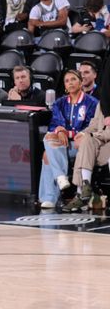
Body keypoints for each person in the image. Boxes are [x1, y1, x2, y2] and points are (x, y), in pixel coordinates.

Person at [37, 69, 98, 209]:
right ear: (64, 86)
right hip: (62, 144)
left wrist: (66, 133)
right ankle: (57, 184)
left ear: (81, 82)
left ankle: (52, 192)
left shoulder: (92, 103)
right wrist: (59, 130)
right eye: (67, 81)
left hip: (81, 146)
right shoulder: (60, 103)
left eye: (73, 79)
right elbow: (56, 122)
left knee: (48, 154)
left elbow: (90, 126)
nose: (70, 83)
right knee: (48, 138)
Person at [62, 105, 109, 212]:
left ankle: (80, 194)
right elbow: (94, 124)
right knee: (86, 141)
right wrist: (82, 134)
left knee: (87, 141)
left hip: (106, 142)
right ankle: (85, 187)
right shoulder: (104, 102)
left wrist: (91, 135)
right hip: (99, 140)